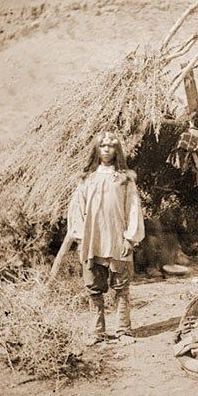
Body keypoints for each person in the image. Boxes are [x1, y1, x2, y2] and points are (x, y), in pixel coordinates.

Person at [67, 131, 145, 344]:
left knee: (121, 287)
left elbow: (133, 209)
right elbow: (77, 209)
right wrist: (81, 238)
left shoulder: (124, 179)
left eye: (111, 146)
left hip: (117, 240)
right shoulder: (87, 179)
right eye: (103, 146)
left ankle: (123, 331)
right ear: (97, 149)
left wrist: (130, 238)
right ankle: (97, 331)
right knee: (94, 287)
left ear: (117, 150)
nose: (107, 149)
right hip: (93, 240)